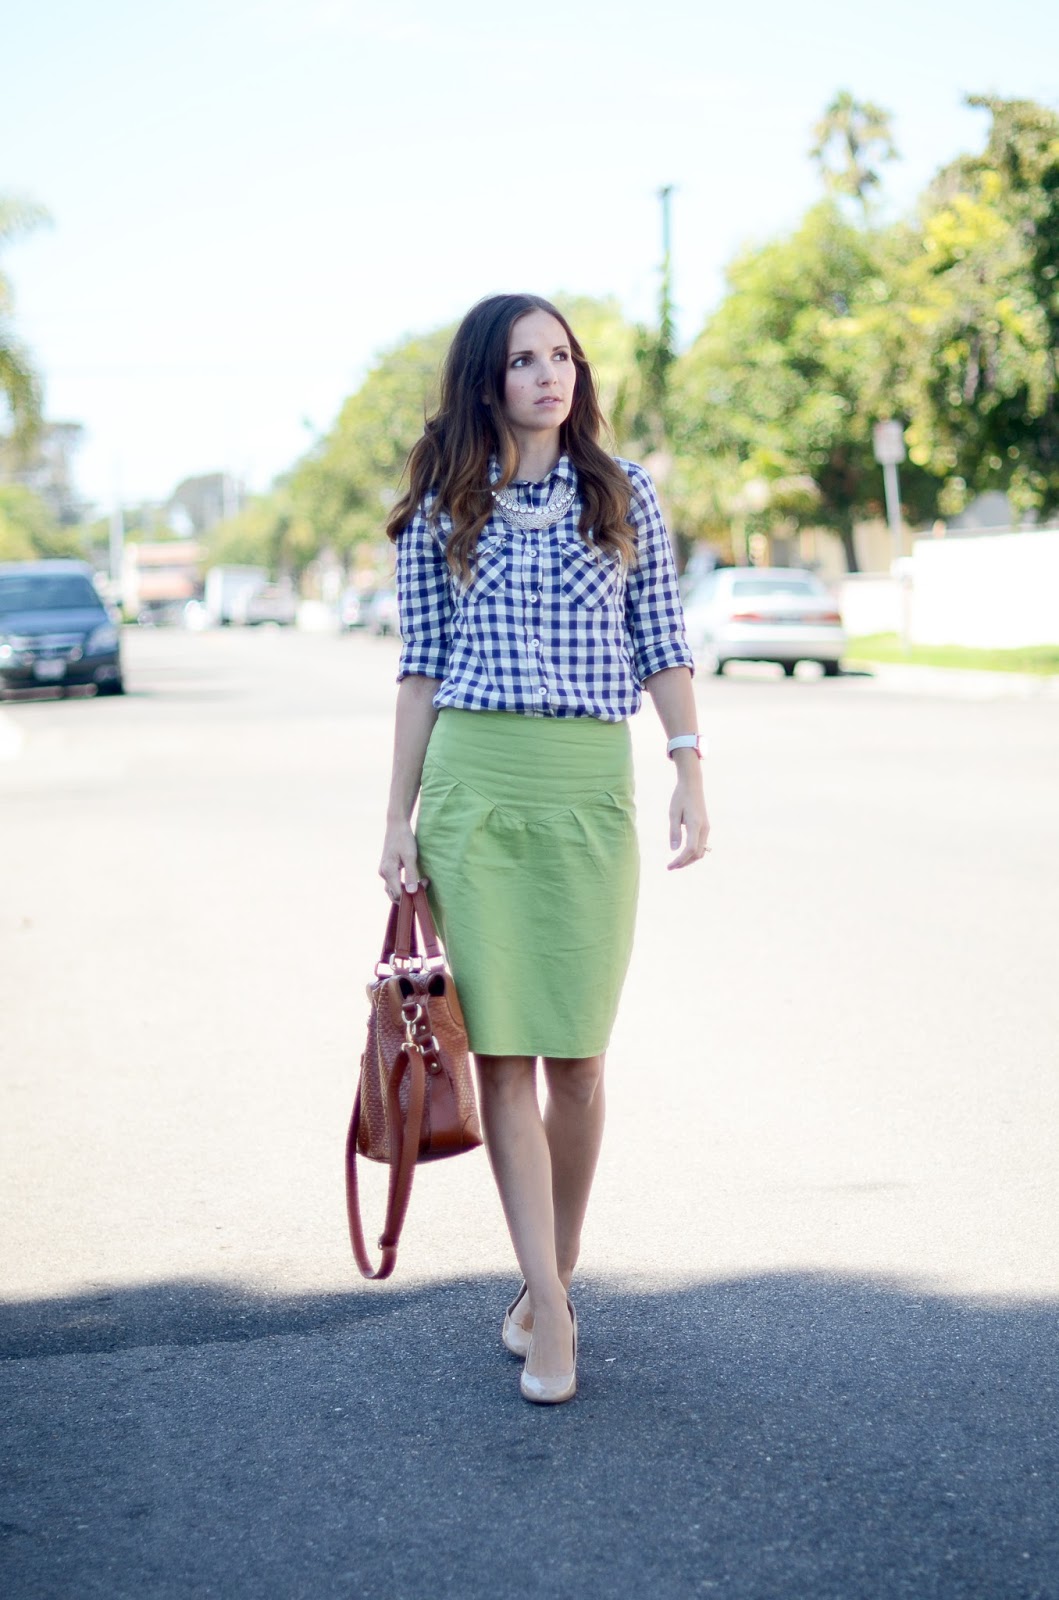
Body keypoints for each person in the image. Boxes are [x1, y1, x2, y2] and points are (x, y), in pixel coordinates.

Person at [378, 293, 710, 1405]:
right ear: (488, 381)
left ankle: (545, 1279)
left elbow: (660, 638)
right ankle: (555, 1309)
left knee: (579, 1058)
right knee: (506, 1057)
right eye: (523, 360)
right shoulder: (441, 505)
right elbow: (420, 671)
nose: (547, 374)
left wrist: (689, 768)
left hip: (586, 789)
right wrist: (395, 819)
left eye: (560, 355)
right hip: (473, 791)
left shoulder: (624, 492)